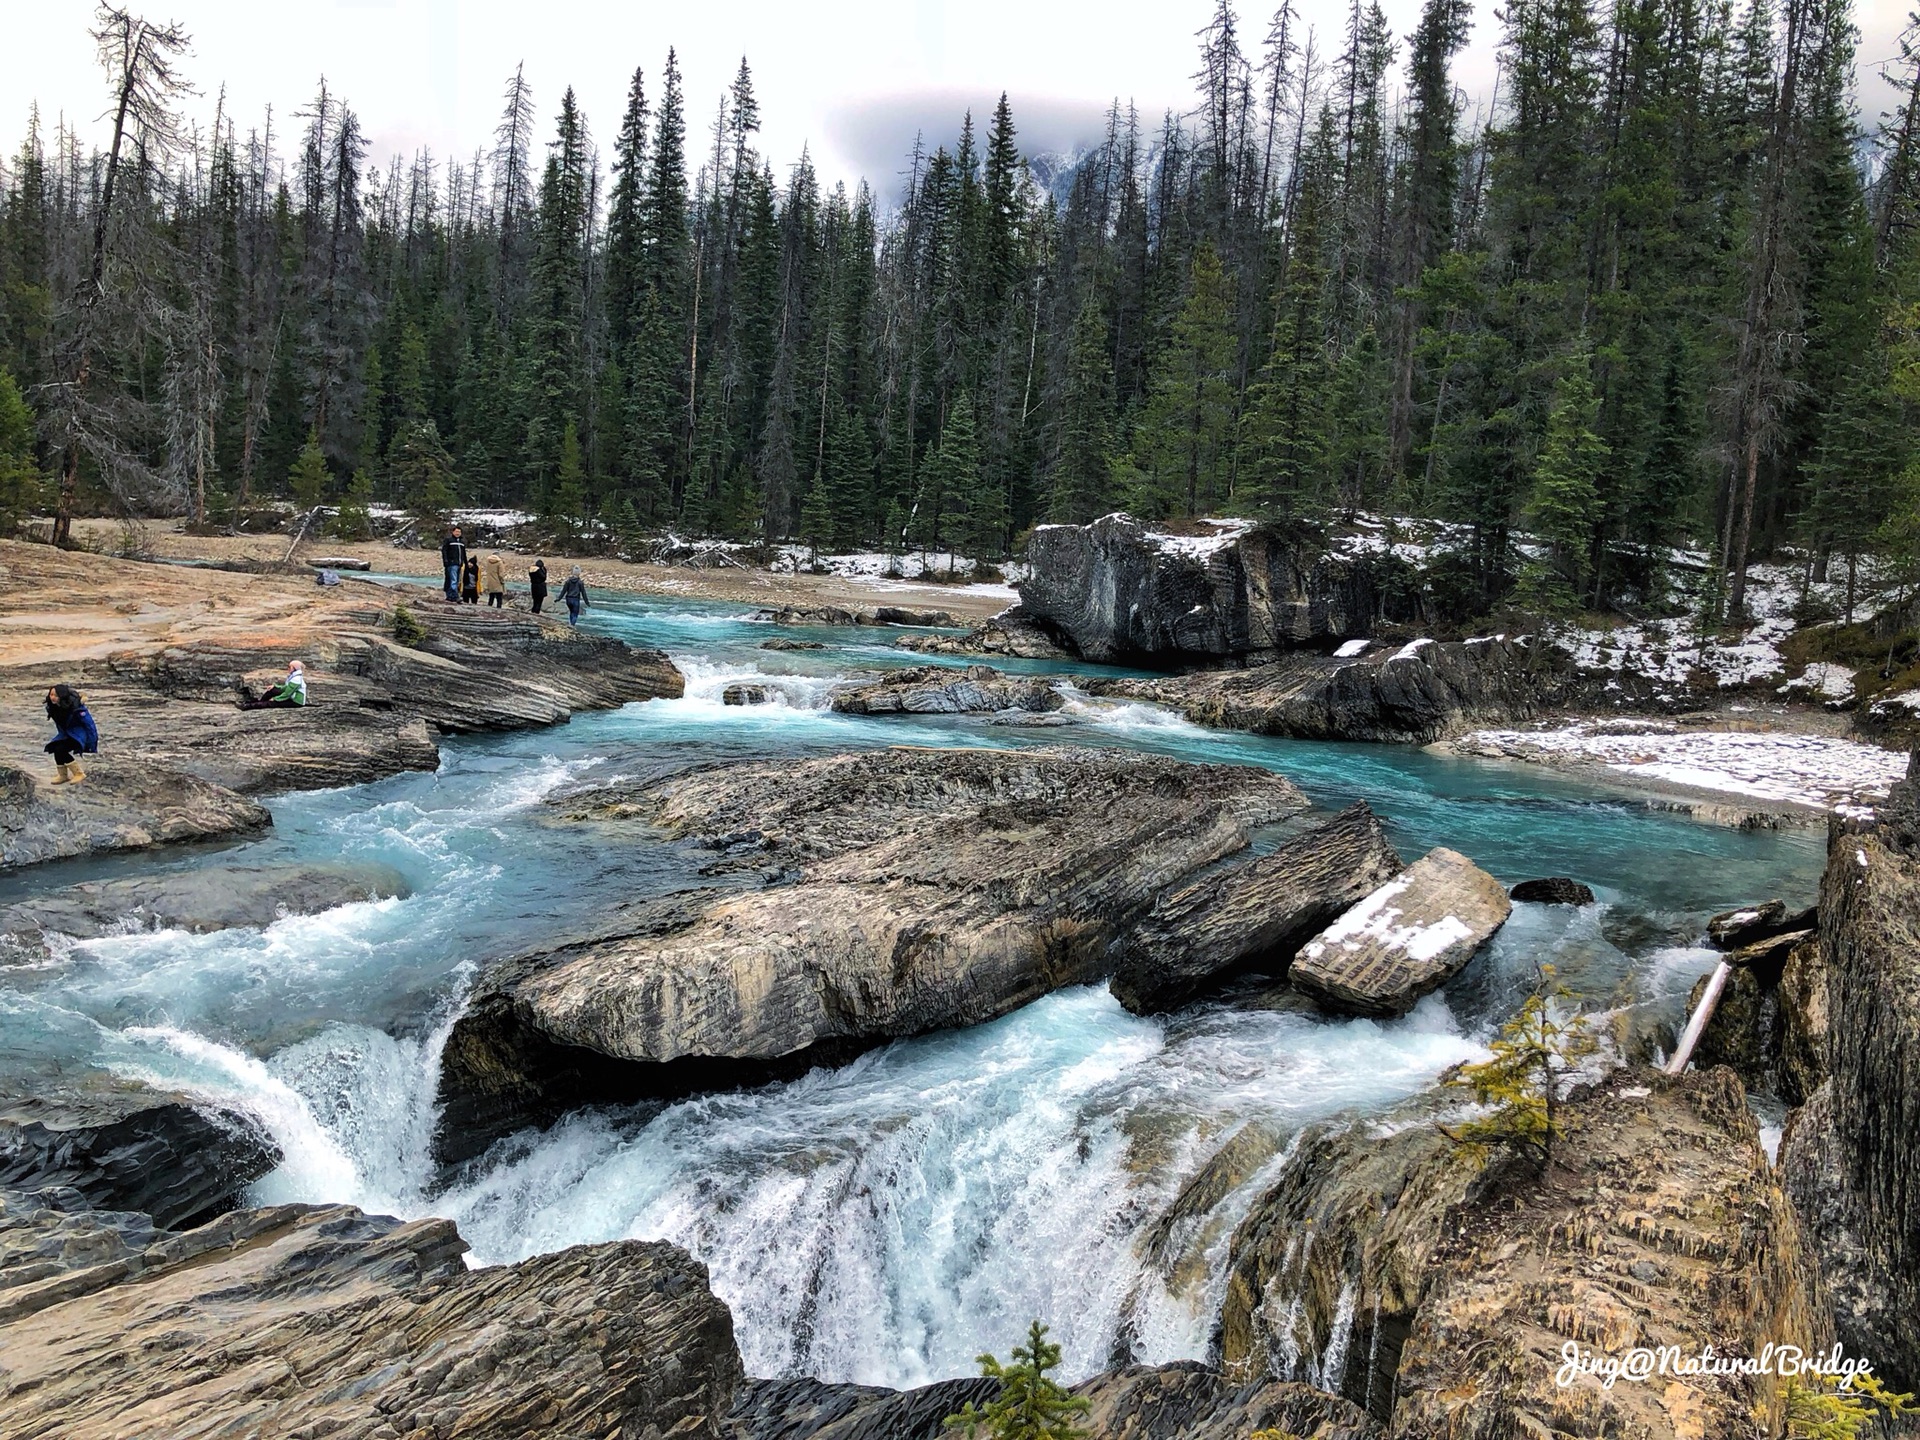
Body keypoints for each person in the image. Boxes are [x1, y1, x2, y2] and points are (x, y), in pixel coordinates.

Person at [43, 684, 98, 785]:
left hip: (79, 734)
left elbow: (89, 725)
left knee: (61, 749)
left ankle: (79, 773)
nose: (53, 698)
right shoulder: (53, 708)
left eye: (56, 695)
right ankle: (62, 775)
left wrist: (91, 742)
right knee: (56, 747)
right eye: (51, 695)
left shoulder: (76, 707)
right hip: (67, 733)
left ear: (62, 696)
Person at [239, 660, 308, 710]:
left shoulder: (296, 679)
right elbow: (286, 687)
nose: (287, 668)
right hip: (292, 697)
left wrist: (275, 699)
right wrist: (275, 687)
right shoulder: (294, 676)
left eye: (289, 667)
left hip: (295, 702)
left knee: (271, 703)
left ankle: (247, 706)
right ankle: (259, 702)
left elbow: (288, 694)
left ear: (294, 668)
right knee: (273, 690)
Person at [440, 527, 467, 601]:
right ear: (453, 532)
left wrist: (465, 563)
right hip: (451, 563)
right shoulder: (449, 540)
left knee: (456, 580)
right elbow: (444, 551)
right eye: (456, 531)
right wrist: (445, 561)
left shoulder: (461, 542)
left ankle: (450, 596)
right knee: (453, 580)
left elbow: (463, 553)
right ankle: (455, 596)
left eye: (459, 532)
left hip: (459, 563)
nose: (458, 533)